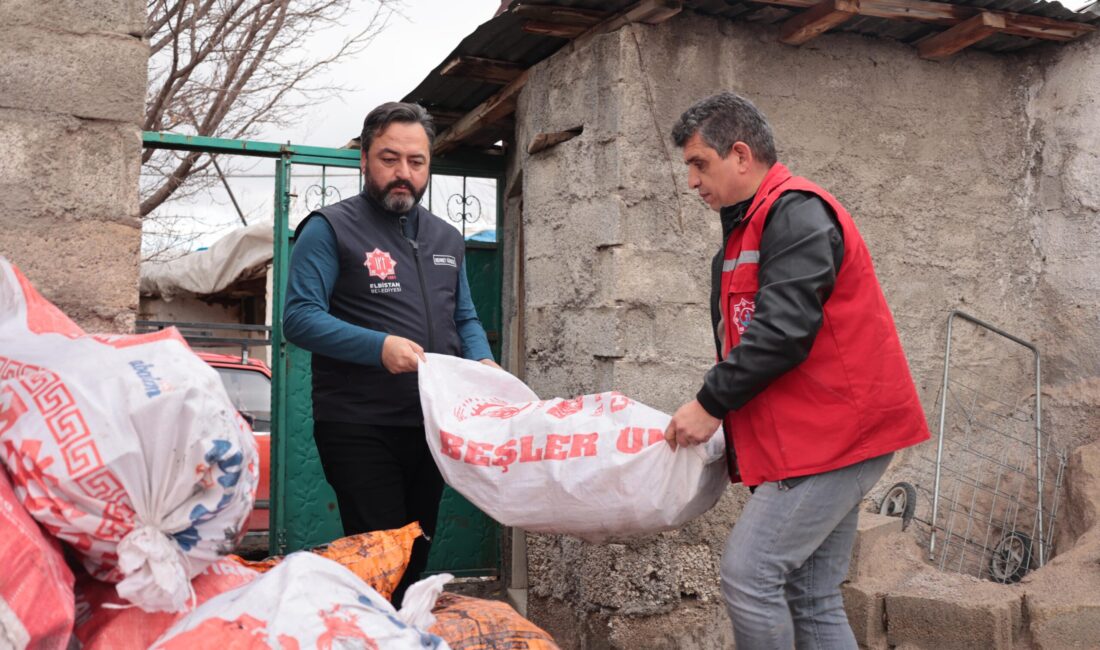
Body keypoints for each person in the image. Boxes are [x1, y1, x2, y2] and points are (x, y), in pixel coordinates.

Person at [663, 92, 930, 649]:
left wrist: (710, 404)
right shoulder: (746, 230)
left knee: (749, 576)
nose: (691, 181)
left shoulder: (797, 212)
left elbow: (782, 332)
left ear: (740, 155)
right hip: (815, 439)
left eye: (698, 164)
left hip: (840, 437)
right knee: (810, 594)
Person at [283, 101, 498, 605]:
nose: (404, 173)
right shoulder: (329, 229)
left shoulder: (447, 237)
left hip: (430, 424)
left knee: (417, 552)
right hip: (358, 424)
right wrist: (378, 347)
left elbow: (462, 317)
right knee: (381, 553)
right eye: (390, 158)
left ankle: (395, 634)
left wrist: (482, 359)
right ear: (364, 158)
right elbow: (300, 317)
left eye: (417, 161)